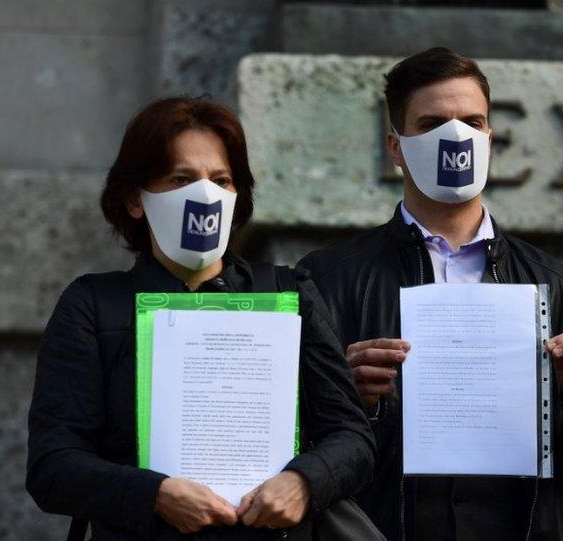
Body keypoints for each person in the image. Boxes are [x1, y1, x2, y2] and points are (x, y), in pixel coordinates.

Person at [26, 97, 376, 539]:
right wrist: (154, 495)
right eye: (181, 179)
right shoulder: (92, 305)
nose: (205, 194)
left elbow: (352, 437)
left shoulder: (289, 294)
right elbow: (52, 465)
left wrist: (304, 482)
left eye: (221, 179)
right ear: (135, 199)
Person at [297, 47, 563, 541]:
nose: (454, 135)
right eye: (432, 122)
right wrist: (346, 401)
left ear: (489, 137)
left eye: (472, 120)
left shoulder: (558, 286)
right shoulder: (326, 279)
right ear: (395, 146)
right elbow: (291, 452)